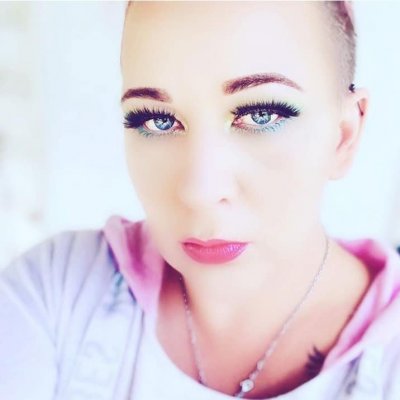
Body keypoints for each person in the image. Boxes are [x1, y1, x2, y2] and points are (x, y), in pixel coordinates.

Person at [1, 1, 400, 399]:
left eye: (260, 115)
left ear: (344, 135)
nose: (200, 191)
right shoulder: (57, 293)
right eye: (157, 120)